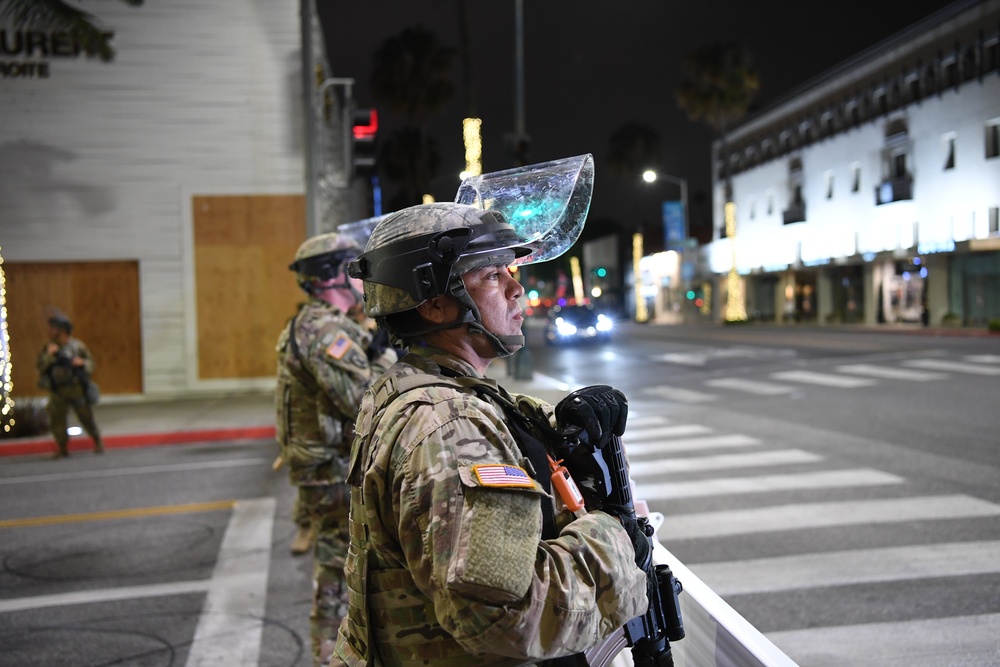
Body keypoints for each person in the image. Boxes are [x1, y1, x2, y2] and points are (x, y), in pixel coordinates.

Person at [331, 202, 648, 665]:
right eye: (492, 275)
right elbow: (507, 616)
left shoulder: (415, 386)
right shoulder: (451, 425)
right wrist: (615, 536)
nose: (517, 288)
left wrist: (556, 427)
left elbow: (490, 419)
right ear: (436, 302)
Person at [274, 231, 398, 666]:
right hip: (330, 470)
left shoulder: (321, 323)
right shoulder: (326, 331)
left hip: (324, 464)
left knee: (341, 560)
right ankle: (329, 652)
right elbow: (364, 398)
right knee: (340, 566)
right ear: (335, 276)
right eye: (355, 271)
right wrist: (383, 356)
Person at [36, 314, 103, 458]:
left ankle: (96, 439)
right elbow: (40, 366)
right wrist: (49, 356)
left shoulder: (77, 347)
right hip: (57, 390)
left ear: (64, 330)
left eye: (56, 329)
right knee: (57, 419)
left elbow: (91, 363)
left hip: (75, 388)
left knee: (85, 416)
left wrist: (82, 363)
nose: (53, 332)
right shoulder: (49, 347)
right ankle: (62, 446)